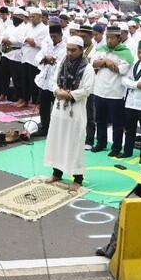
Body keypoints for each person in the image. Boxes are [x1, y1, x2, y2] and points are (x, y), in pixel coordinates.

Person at [44, 36, 96, 191]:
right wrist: (57, 90)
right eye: (68, 49)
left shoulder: (87, 68)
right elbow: (54, 81)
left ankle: (77, 178)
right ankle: (57, 173)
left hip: (75, 112)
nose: (70, 52)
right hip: (60, 110)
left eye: (73, 50)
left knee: (74, 144)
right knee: (57, 140)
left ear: (81, 50)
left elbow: (87, 90)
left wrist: (68, 95)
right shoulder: (63, 63)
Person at [91, 26, 133, 156]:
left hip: (115, 92)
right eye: (107, 38)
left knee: (117, 123)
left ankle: (116, 148)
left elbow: (121, 69)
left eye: (112, 38)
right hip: (99, 90)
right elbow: (93, 63)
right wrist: (107, 61)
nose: (109, 41)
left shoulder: (125, 52)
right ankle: (101, 143)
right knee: (100, 120)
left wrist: (104, 63)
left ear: (119, 38)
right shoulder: (101, 49)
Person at [33, 25, 67, 137]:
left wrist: (52, 60)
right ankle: (44, 127)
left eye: (55, 36)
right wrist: (45, 59)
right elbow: (38, 56)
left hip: (57, 82)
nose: (53, 39)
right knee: (44, 107)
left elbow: (63, 62)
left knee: (58, 107)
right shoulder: (48, 44)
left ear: (61, 35)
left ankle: (58, 130)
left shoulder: (65, 47)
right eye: (51, 36)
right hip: (45, 81)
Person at [19, 7, 48, 107]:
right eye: (30, 16)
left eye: (33, 17)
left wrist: (35, 42)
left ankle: (35, 102)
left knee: (33, 81)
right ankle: (25, 99)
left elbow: (45, 43)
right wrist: (28, 39)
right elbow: (21, 37)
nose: (31, 18)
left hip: (35, 58)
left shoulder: (45, 29)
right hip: (25, 56)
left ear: (40, 17)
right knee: (24, 79)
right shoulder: (28, 27)